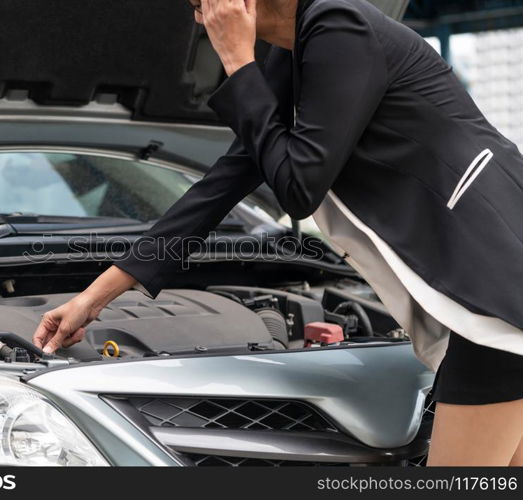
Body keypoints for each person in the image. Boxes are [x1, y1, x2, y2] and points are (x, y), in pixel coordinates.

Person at [33, 0, 523, 466]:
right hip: (491, 297)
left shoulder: (339, 28)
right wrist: (95, 297)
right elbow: (231, 176)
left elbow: (297, 186)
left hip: (493, 301)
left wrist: (236, 59)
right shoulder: (299, 50)